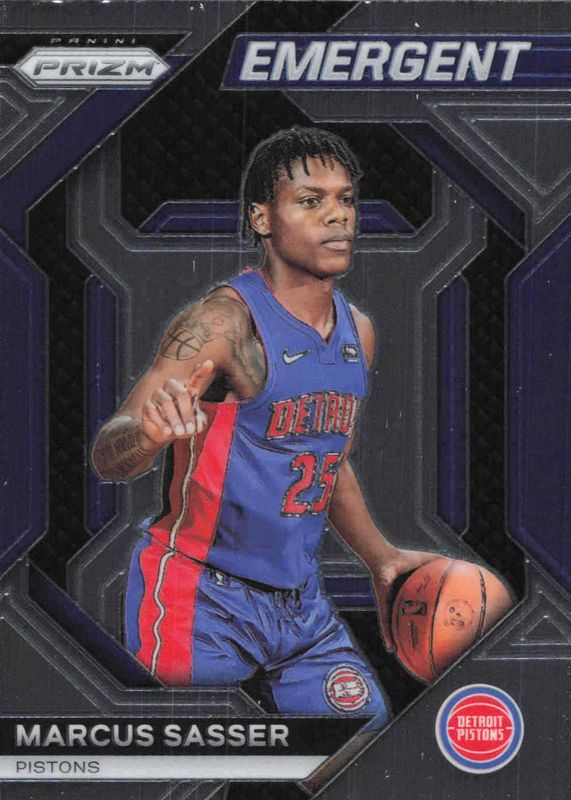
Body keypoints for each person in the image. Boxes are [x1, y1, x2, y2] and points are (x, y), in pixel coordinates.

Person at [92, 127, 436, 723]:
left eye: (347, 199)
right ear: (262, 217)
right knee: (198, 763)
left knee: (367, 750)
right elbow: (108, 453)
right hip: (201, 596)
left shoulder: (358, 331)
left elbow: (328, 462)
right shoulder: (222, 324)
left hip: (299, 607)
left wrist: (380, 558)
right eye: (311, 200)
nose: (338, 216)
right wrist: (147, 435)